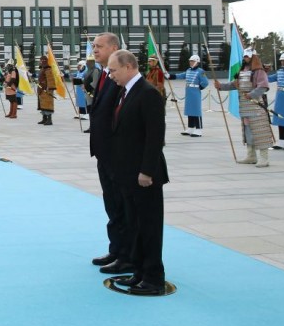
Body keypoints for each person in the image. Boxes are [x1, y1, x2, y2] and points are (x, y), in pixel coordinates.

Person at [106, 50, 169, 296]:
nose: (111, 76)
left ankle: (154, 279)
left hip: (145, 176)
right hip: (128, 175)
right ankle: (140, 272)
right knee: (136, 226)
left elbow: (155, 137)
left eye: (113, 70)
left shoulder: (148, 93)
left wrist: (146, 171)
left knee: (150, 228)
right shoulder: (127, 91)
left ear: (129, 66)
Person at [87, 32, 132, 275]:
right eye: (94, 46)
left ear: (113, 47)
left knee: (121, 205)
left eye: (99, 46)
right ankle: (116, 250)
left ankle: (126, 255)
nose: (94, 50)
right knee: (111, 204)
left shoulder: (119, 78)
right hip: (104, 153)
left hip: (116, 154)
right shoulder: (103, 73)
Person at [216, 48, 274, 167]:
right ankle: (251, 156)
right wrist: (221, 86)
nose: (245, 58)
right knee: (248, 132)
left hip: (256, 106)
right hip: (244, 107)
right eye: (244, 57)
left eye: (247, 57)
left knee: (260, 132)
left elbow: (263, 86)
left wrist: (251, 94)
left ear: (253, 57)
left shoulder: (259, 71)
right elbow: (234, 84)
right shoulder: (242, 71)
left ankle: (264, 158)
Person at [165, 55, 209, 136]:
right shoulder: (188, 70)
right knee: (189, 110)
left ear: (196, 62)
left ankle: (199, 129)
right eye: (190, 61)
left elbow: (205, 82)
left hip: (195, 92)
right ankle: (190, 127)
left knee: (196, 110)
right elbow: (180, 75)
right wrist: (170, 76)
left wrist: (200, 87)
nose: (190, 62)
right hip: (189, 92)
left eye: (192, 61)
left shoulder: (200, 71)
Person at [36, 56, 55, 126]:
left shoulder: (48, 69)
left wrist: (50, 88)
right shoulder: (42, 69)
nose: (39, 62)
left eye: (40, 61)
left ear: (44, 61)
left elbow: (50, 79)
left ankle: (49, 120)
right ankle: (44, 118)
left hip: (46, 89)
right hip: (41, 89)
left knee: (48, 104)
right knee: (42, 104)